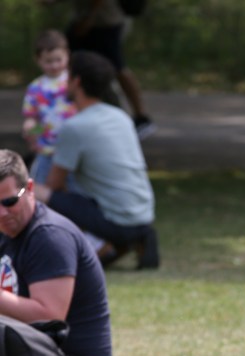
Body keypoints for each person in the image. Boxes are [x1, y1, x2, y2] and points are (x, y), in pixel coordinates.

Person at [0, 149, 111, 356]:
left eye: (8, 202)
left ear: (29, 188)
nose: (2, 213)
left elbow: (49, 316)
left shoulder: (49, 236)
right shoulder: (6, 230)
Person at [33, 50, 159, 270]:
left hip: (116, 220)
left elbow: (54, 185)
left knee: (34, 191)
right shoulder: (120, 117)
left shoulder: (75, 127)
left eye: (68, 76)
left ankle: (98, 245)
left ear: (77, 81)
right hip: (143, 214)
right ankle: (121, 242)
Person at [56, 0, 156, 138]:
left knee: (117, 68)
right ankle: (64, 112)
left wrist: (89, 18)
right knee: (70, 62)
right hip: (85, 20)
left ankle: (141, 117)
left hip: (104, 21)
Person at [20, 30, 78, 186]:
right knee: (40, 187)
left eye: (58, 60)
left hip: (74, 149)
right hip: (46, 150)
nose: (54, 65)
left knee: (75, 189)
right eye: (48, 61)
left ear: (67, 55)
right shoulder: (35, 87)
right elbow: (33, 118)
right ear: (38, 60)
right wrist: (31, 130)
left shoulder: (74, 82)